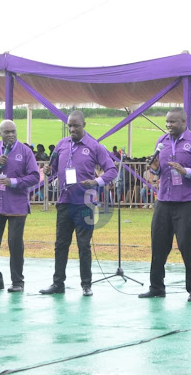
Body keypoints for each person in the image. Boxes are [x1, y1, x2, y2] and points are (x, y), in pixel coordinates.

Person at [39, 111, 117, 297]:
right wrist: (48, 170)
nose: (72, 129)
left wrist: (96, 182)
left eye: (76, 126)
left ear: (84, 125)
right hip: (64, 202)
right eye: (70, 126)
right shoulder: (61, 145)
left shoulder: (94, 146)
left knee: (84, 246)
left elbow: (112, 170)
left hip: (85, 204)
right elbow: (53, 168)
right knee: (61, 245)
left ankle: (86, 285)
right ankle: (58, 284)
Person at [138, 107, 191, 302]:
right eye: (167, 122)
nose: (169, 125)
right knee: (158, 245)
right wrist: (155, 169)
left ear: (184, 122)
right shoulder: (161, 142)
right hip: (163, 200)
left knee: (187, 245)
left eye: (173, 122)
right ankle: (156, 287)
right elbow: (160, 171)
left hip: (185, 202)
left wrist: (185, 170)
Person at [0, 120, 40, 292]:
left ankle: (17, 282)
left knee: (15, 243)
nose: (10, 135)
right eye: (7, 132)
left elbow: (34, 176)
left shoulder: (25, 151)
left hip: (17, 205)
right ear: (0, 134)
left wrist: (13, 182)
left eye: (13, 131)